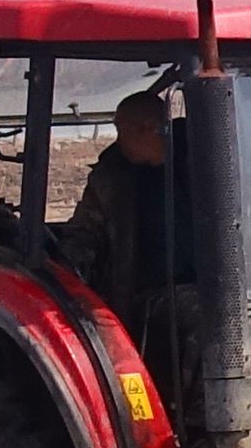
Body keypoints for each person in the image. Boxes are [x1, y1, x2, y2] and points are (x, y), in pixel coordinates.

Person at [64, 85, 179, 322]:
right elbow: (85, 232)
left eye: (121, 130)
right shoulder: (111, 179)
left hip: (204, 288)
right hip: (140, 296)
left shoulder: (207, 166)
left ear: (148, 129)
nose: (118, 141)